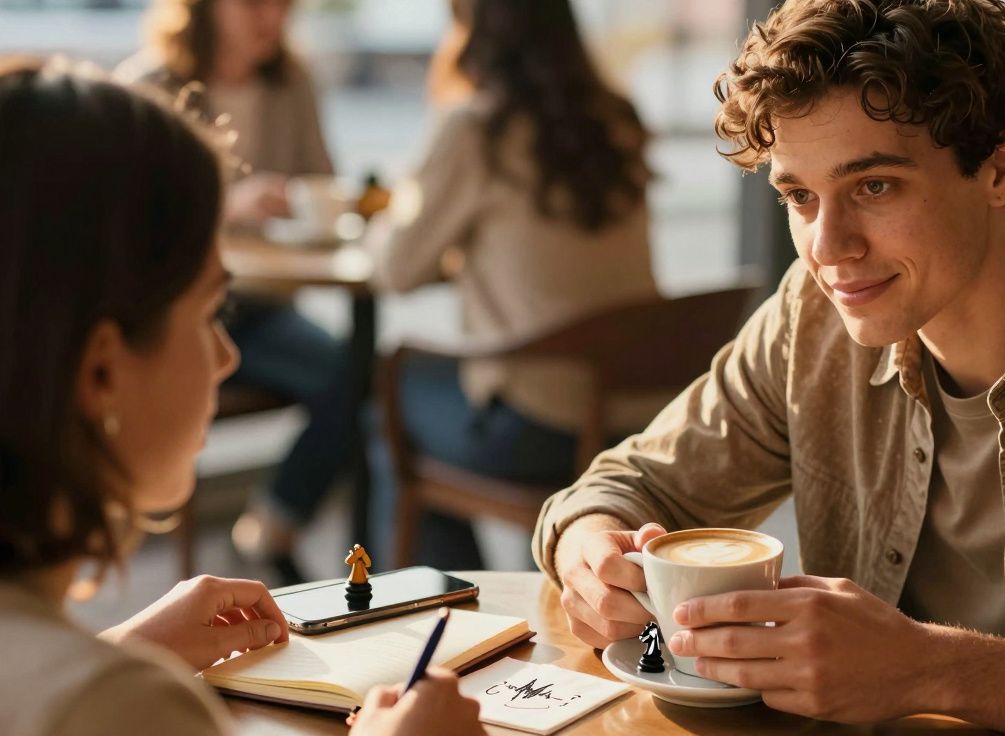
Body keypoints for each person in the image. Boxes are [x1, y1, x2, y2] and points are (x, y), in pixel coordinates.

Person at [532, 1, 1005, 734]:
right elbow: (624, 487)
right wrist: (593, 555)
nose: (829, 248)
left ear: (1004, 168)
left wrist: (927, 669)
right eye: (800, 196)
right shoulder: (811, 315)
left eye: (874, 186)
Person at [0, 57, 483, 736]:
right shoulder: (121, 707)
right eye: (210, 314)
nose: (228, 355)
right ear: (102, 371)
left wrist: (128, 650)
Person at [364, 0, 661, 570]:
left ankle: (444, 609)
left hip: (547, 422)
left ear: (474, 31)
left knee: (390, 399)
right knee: (425, 397)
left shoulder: (476, 127)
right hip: (640, 406)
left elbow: (395, 268)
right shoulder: (616, 116)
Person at [117, 0, 354, 584]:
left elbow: (320, 181)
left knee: (356, 375)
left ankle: (271, 524)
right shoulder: (149, 86)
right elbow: (124, 221)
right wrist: (226, 203)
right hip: (177, 313)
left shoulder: (292, 82)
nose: (271, 17)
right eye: (253, 3)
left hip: (263, 306)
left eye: (283, 4)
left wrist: (303, 204)